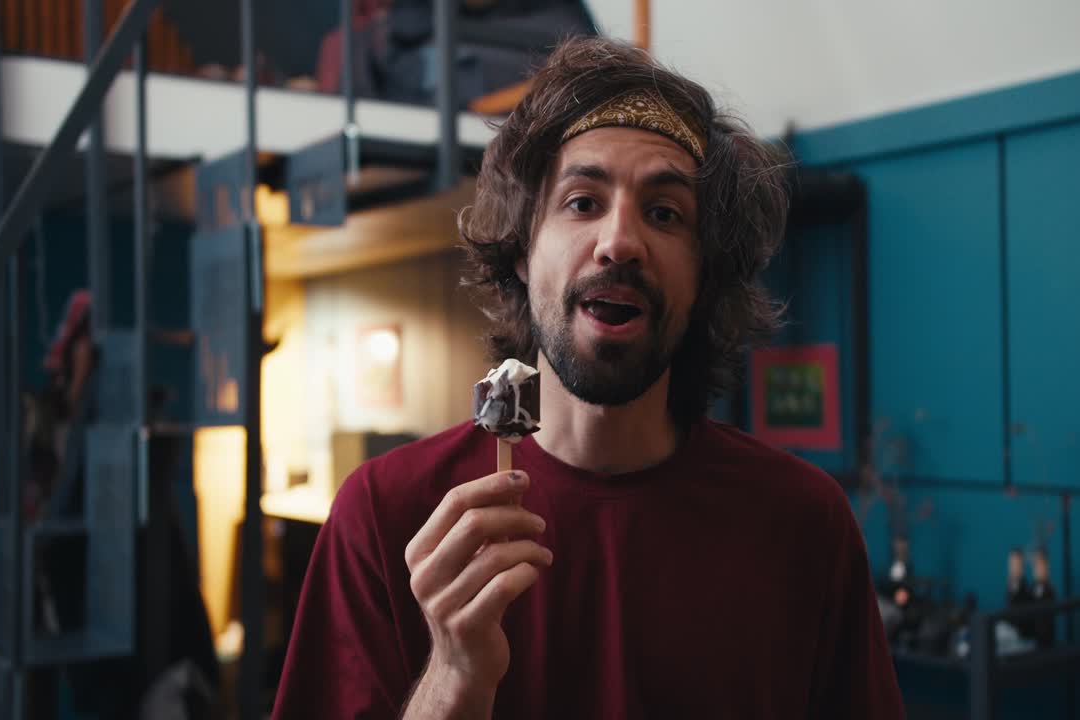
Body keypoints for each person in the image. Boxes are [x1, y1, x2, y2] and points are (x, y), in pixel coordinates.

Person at [273, 36, 903, 719]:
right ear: (522, 251)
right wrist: (451, 678)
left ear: (703, 277)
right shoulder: (387, 513)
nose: (620, 241)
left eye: (665, 213)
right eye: (582, 202)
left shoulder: (804, 523)